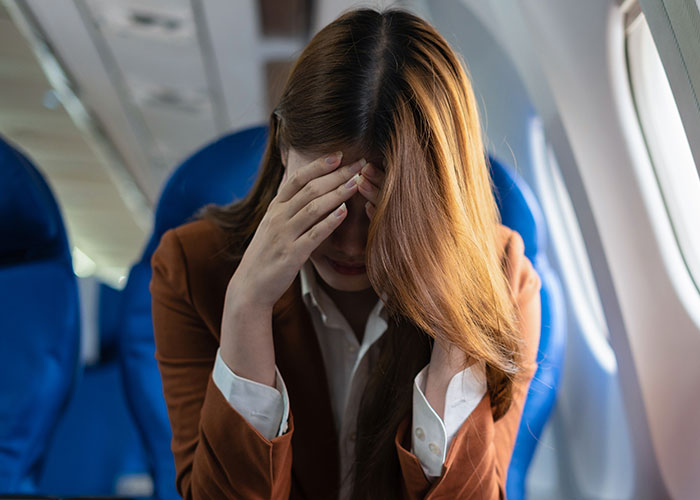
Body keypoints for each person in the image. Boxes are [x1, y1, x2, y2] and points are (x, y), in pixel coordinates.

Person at [150, 7, 541, 500]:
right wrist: (247, 310)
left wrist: (452, 328)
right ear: (283, 147)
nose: (352, 245)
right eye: (328, 203)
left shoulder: (504, 281)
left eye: (383, 215)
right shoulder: (192, 269)